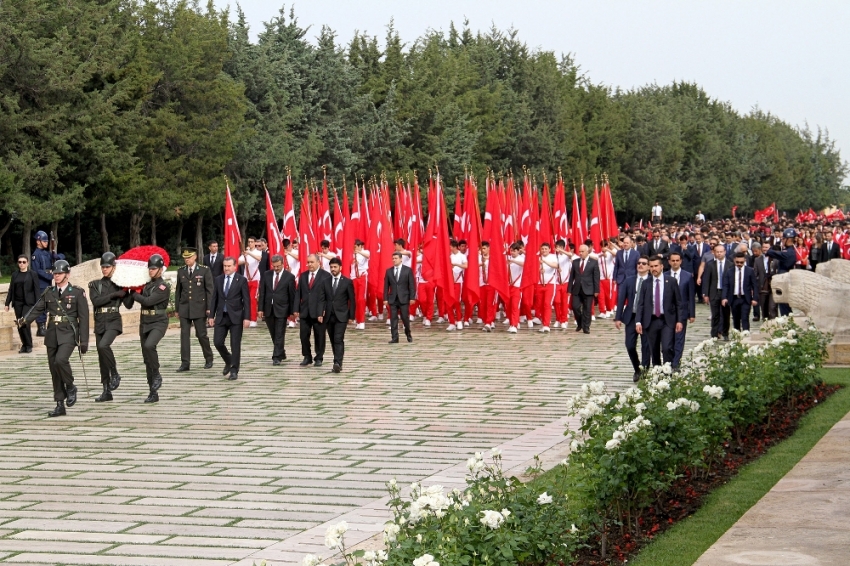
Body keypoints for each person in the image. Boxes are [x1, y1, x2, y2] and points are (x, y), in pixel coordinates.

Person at [19, 259, 89, 417]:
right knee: (54, 370)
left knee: (61, 360)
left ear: (67, 274)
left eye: (59, 273)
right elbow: (37, 309)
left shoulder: (77, 292)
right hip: (52, 335)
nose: (56, 276)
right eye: (55, 273)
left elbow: (84, 318)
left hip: (69, 334)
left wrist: (84, 341)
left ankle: (71, 386)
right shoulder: (49, 292)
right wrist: (24, 321)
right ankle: (59, 404)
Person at [88, 252, 133, 402]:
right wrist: (115, 295)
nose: (104, 269)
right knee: (101, 356)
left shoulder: (120, 284)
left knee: (103, 345)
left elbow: (128, 304)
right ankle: (106, 390)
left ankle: (114, 372)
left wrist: (129, 291)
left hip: (113, 320)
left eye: (107, 266)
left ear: (114, 267)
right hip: (100, 320)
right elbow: (96, 302)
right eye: (103, 267)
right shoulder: (95, 284)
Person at [128, 254, 170, 402]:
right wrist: (128, 288)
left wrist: (134, 294)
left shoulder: (163, 286)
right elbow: (129, 303)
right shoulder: (145, 284)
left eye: (154, 269)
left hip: (159, 321)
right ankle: (153, 391)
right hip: (145, 321)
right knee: (146, 357)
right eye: (150, 268)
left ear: (160, 270)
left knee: (149, 345)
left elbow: (148, 301)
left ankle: (157, 374)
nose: (151, 271)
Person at [635, 256, 684, 367]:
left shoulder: (671, 281)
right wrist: (638, 321)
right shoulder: (646, 283)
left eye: (656, 266)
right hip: (651, 321)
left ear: (662, 266)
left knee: (667, 347)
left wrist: (679, 320)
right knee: (654, 349)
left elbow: (678, 303)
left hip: (667, 320)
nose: (654, 269)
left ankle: (668, 371)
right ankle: (658, 372)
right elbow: (640, 304)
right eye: (651, 266)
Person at [208, 257, 251, 380]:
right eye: (225, 266)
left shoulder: (241, 280)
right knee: (217, 342)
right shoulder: (218, 279)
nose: (226, 268)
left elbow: (246, 300)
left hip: (236, 316)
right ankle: (229, 359)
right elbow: (214, 298)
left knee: (235, 344)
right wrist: (211, 315)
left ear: (234, 266)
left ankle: (234, 370)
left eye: (228, 266)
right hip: (222, 316)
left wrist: (247, 317)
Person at [175, 248, 214, 373]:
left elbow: (209, 290)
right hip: (185, 308)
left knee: (201, 334)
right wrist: (177, 309)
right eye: (185, 258)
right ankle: (185, 362)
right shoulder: (181, 271)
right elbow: (178, 291)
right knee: (184, 335)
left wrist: (209, 308)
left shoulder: (204, 270)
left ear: (195, 257)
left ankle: (208, 357)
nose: (187, 260)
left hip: (199, 307)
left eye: (189, 257)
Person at [614, 255, 650, 381]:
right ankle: (637, 369)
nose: (640, 265)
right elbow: (621, 299)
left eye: (644, 263)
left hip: (646, 318)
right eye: (639, 263)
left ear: (649, 267)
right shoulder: (629, 280)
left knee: (646, 346)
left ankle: (645, 370)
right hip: (631, 316)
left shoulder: (651, 281)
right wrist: (618, 317)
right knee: (629, 345)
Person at [257, 254, 296, 365]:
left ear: (282, 264)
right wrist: (260, 309)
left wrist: (293, 311)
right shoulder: (266, 275)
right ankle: (281, 352)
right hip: (269, 308)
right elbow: (263, 292)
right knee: (273, 332)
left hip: (282, 308)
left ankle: (276, 357)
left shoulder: (289, 277)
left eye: (278, 266)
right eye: (274, 266)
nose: (276, 268)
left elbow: (292, 295)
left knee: (279, 332)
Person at [294, 254, 330, 367]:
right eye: (308, 262)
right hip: (305, 310)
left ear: (318, 262)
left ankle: (319, 357)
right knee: (303, 335)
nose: (309, 264)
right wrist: (296, 308)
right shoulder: (303, 276)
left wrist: (324, 310)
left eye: (312, 262)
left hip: (318, 311)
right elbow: (298, 293)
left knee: (319, 335)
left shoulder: (326, 276)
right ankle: (307, 356)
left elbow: (328, 296)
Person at [324, 257, 355, 372]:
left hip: (342, 315)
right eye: (331, 267)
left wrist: (351, 316)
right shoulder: (326, 281)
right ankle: (337, 359)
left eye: (335, 267)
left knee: (338, 338)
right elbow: (322, 298)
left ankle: (337, 362)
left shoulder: (347, 282)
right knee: (333, 339)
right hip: (328, 315)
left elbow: (352, 300)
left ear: (340, 268)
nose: (333, 269)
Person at [666, 251, 695, 369]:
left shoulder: (687, 276)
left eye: (677, 260)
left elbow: (691, 296)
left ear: (681, 261)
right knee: (668, 340)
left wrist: (691, 313)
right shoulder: (664, 275)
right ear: (669, 262)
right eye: (673, 260)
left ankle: (676, 363)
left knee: (679, 338)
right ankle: (669, 359)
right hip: (667, 312)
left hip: (682, 312)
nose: (675, 262)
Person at [4, 255, 39, 354]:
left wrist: (38, 304)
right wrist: (7, 303)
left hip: (28, 303)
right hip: (17, 303)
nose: (21, 264)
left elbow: (36, 289)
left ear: (27, 263)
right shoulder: (15, 275)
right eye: (20, 262)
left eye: (24, 262)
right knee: (19, 324)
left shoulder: (32, 274)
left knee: (24, 322)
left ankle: (29, 345)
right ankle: (24, 344)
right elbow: (11, 290)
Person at [384, 251, 416, 343]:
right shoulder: (389, 271)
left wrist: (412, 297)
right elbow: (386, 286)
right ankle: (394, 337)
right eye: (393, 258)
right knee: (393, 318)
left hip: (404, 298)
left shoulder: (407, 270)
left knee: (405, 318)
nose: (394, 260)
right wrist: (385, 298)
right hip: (393, 298)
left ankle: (408, 334)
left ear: (401, 259)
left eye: (396, 258)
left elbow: (411, 285)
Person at [31, 230, 59, 336]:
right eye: (44, 241)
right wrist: (50, 276)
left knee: (48, 304)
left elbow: (59, 257)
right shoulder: (35, 255)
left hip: (47, 283)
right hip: (41, 283)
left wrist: (57, 257)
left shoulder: (47, 253)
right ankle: (41, 328)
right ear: (38, 241)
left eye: (47, 241)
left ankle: (46, 326)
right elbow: (37, 270)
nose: (46, 243)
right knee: (41, 305)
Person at [702, 243, 733, 340]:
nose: (719, 254)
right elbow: (707, 279)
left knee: (726, 314)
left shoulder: (730, 265)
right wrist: (705, 294)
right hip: (714, 292)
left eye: (721, 252)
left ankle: (725, 333)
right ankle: (714, 333)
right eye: (717, 252)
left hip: (726, 293)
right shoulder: (710, 264)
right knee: (715, 314)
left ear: (725, 252)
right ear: (714, 253)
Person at [765, 228, 799, 316]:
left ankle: (788, 322)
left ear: (788, 239)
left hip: (785, 281)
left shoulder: (789, 253)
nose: (782, 240)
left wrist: (770, 249)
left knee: (784, 306)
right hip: (783, 280)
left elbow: (772, 253)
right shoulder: (787, 250)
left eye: (783, 239)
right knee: (783, 305)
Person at [722, 252, 758, 332]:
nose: (739, 264)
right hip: (734, 298)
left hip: (745, 298)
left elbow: (754, 285)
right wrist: (724, 297)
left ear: (745, 260)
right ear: (734, 260)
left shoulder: (749, 271)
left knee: (745, 317)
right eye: (737, 262)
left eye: (741, 262)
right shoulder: (730, 271)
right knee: (736, 318)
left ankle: (746, 335)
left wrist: (755, 298)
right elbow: (726, 285)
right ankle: (737, 335)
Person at [568, 245, 600, 334]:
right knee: (575, 307)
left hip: (589, 289)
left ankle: (586, 327)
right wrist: (569, 290)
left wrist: (596, 290)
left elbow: (596, 277)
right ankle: (580, 323)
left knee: (587, 309)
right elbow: (571, 277)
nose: (580, 253)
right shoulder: (575, 262)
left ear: (587, 251)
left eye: (582, 251)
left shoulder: (593, 262)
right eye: (579, 251)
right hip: (577, 289)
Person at [238, 239, 262, 327]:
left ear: (255, 243)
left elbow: (259, 259)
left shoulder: (257, 252)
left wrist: (249, 253)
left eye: (252, 242)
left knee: (253, 298)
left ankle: (253, 319)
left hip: (255, 278)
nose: (250, 243)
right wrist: (244, 261)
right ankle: (246, 317)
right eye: (249, 242)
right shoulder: (245, 253)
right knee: (245, 298)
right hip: (246, 278)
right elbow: (238, 262)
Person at [447, 240, 468, 331]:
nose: (449, 248)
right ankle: (451, 322)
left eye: (450, 246)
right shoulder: (449, 256)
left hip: (458, 281)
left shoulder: (462, 256)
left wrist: (455, 264)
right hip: (449, 282)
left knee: (456, 301)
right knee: (448, 302)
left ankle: (459, 320)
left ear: (454, 247)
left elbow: (466, 266)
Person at [506, 243, 524, 334]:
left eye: (514, 250)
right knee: (508, 307)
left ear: (518, 251)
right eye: (511, 250)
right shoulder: (507, 259)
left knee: (514, 306)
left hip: (517, 286)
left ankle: (514, 325)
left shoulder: (521, 258)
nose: (512, 252)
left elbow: (524, 264)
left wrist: (513, 261)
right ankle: (512, 323)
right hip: (508, 286)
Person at [351, 239, 370, 329]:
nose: (355, 248)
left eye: (356, 246)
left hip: (362, 277)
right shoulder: (352, 254)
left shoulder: (365, 252)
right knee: (355, 300)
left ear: (360, 246)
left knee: (361, 299)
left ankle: (362, 321)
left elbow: (368, 256)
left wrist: (359, 252)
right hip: (354, 277)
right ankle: (357, 320)